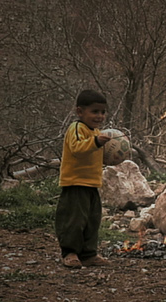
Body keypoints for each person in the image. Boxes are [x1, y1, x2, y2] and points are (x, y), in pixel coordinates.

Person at [55, 89, 112, 268]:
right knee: (74, 219)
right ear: (80, 112)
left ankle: (88, 253)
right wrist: (96, 143)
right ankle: (70, 252)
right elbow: (78, 149)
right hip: (75, 182)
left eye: (102, 112)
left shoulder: (96, 132)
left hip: (92, 183)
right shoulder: (77, 129)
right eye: (94, 111)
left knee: (92, 219)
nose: (100, 116)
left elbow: (95, 155)